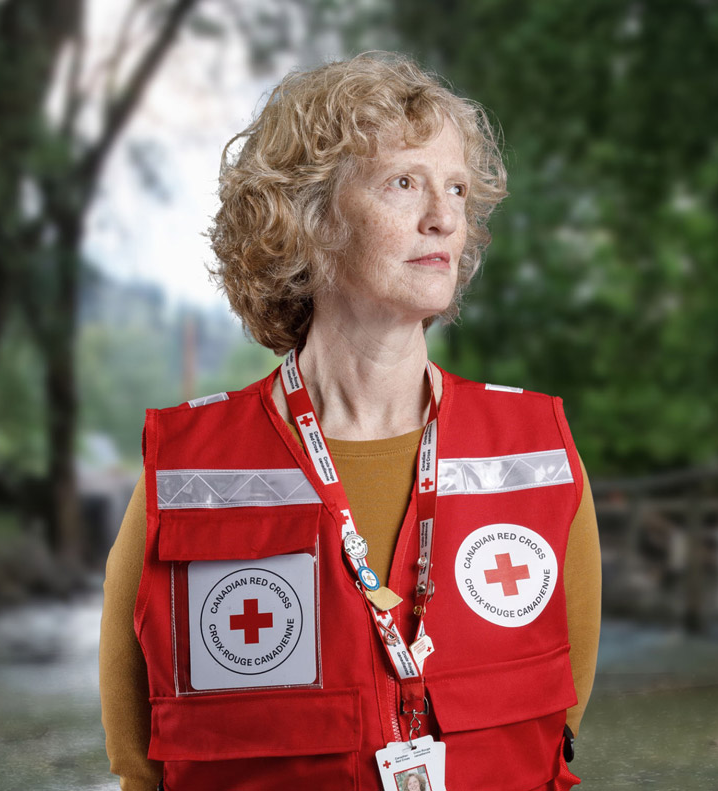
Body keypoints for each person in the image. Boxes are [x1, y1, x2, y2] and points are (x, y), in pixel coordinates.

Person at [99, 51, 601, 791]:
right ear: (310, 216)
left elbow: (558, 734)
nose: (443, 216)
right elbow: (141, 765)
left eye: (456, 188)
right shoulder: (185, 474)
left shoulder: (537, 456)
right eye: (404, 182)